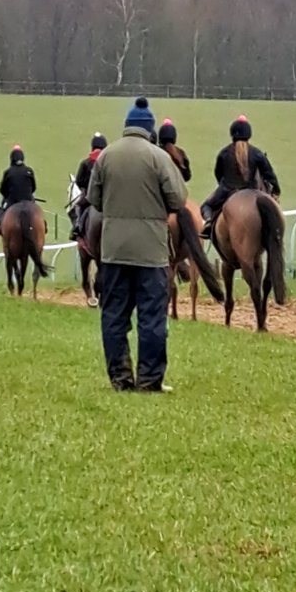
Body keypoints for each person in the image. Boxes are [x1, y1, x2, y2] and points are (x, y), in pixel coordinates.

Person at [87, 96, 187, 393]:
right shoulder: (159, 157)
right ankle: (149, 380)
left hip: (114, 251)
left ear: (127, 126)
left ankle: (120, 378)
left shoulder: (106, 156)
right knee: (152, 317)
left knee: (114, 316)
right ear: (149, 128)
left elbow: (94, 200)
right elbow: (178, 199)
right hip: (151, 253)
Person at [200, 115, 281, 240]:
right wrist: (276, 190)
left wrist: (223, 185)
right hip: (252, 190)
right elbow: (269, 174)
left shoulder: (224, 153)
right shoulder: (257, 153)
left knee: (206, 206)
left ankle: (209, 223)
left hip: (227, 189)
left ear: (232, 134)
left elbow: (218, 173)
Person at [70, 132, 107, 240]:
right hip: (106, 197)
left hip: (89, 197)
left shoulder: (86, 163)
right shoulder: (107, 162)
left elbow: (79, 182)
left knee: (78, 206)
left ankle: (77, 227)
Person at [0, 146, 37, 234]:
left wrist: (7, 196)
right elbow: (34, 187)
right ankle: (43, 224)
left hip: (12, 201)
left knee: (1, 209)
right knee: (36, 211)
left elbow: (3, 189)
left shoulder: (8, 172)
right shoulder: (29, 171)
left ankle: (0, 226)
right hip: (28, 200)